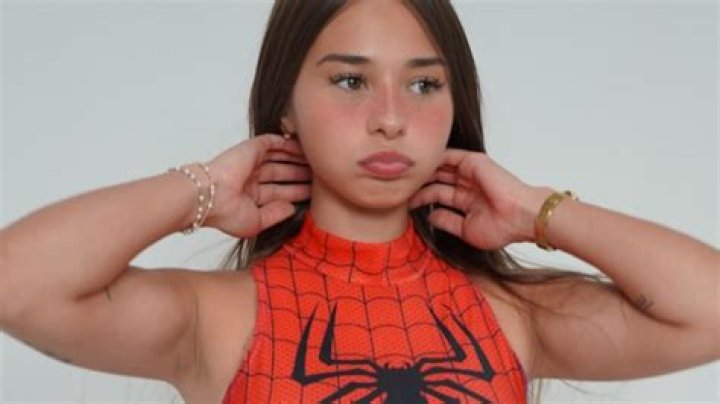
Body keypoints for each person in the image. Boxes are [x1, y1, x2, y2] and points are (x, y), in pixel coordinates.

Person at [1, 1, 718, 403]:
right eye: (350, 81)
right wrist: (202, 189)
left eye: (424, 84)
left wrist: (540, 213)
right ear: (286, 105)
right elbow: (15, 284)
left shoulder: (509, 313)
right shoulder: (215, 317)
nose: (391, 119)